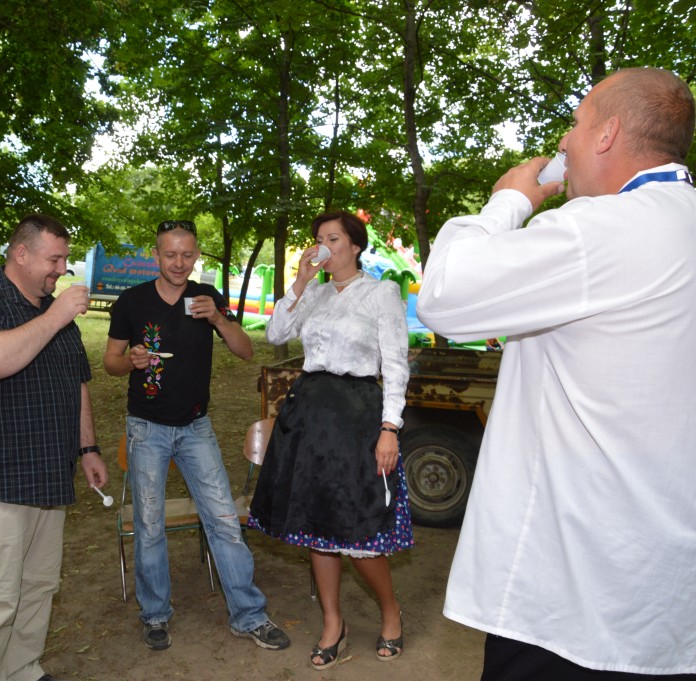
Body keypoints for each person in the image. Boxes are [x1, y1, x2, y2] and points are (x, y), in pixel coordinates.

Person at [417, 67, 696, 679]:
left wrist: (509, 199)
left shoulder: (604, 228)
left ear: (607, 134)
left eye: (576, 123)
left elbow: (443, 294)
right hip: (666, 594)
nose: (565, 140)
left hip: (573, 591)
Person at [102, 219, 291, 653]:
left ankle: (249, 616)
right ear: (156, 255)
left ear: (196, 256)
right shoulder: (132, 301)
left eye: (187, 255)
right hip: (146, 427)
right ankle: (155, 615)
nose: (179, 263)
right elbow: (111, 361)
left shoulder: (207, 297)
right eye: (170, 254)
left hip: (195, 428)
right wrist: (131, 361)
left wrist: (219, 319)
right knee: (150, 526)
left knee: (223, 519)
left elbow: (245, 351)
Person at [246, 210, 413, 670]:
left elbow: (396, 365)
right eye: (319, 238)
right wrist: (300, 282)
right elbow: (276, 334)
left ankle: (391, 612)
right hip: (309, 416)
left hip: (357, 416)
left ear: (355, 246)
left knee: (359, 526)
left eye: (333, 238)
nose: (323, 246)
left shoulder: (381, 293)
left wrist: (390, 428)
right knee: (317, 529)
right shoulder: (315, 293)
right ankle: (333, 623)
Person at [0, 214, 108, 681]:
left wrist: (88, 447)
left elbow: (76, 381)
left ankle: (22, 670)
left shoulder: (53, 310)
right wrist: (56, 316)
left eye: (64, 259)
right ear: (21, 254)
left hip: (48, 475)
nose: (62, 269)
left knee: (38, 586)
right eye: (53, 259)